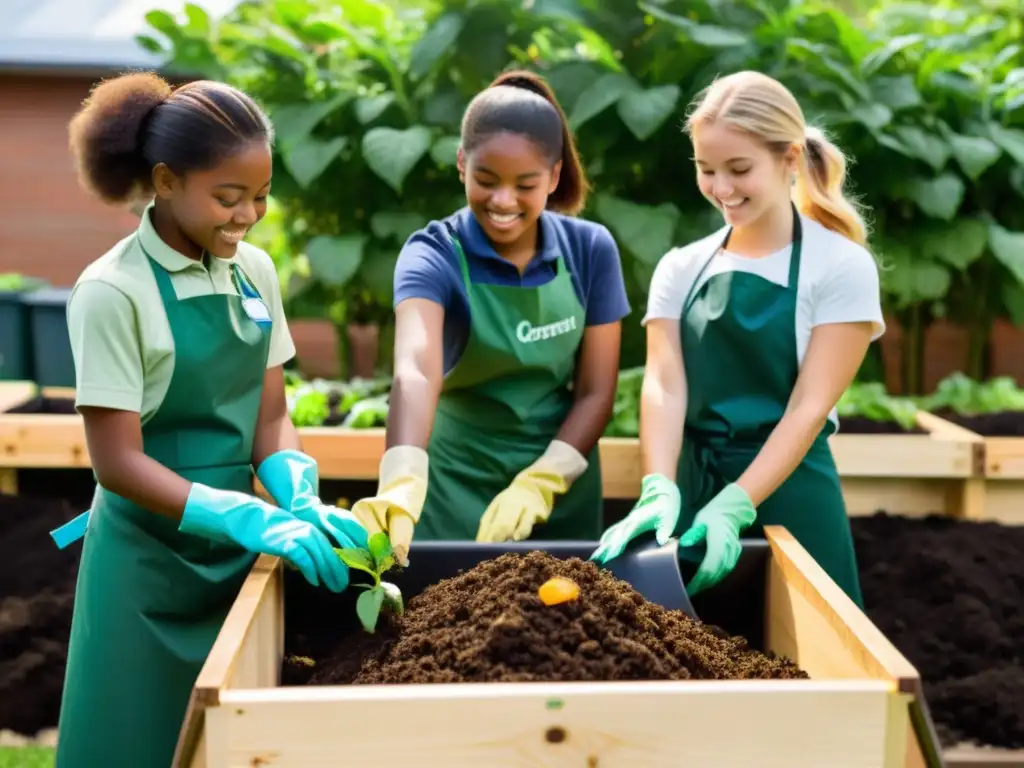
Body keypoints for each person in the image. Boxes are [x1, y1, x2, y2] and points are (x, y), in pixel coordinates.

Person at [51, 72, 368, 768]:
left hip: (236, 564)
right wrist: (245, 517)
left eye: (260, 197)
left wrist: (297, 493)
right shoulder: (112, 292)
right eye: (228, 198)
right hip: (144, 567)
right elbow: (117, 463)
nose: (248, 216)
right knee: (133, 744)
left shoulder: (253, 270)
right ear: (165, 181)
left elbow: (271, 415)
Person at [591, 71, 883, 609]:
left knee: (818, 668)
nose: (722, 188)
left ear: (790, 158)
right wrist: (659, 487)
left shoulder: (840, 266)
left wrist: (737, 504)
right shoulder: (681, 266)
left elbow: (809, 408)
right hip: (689, 486)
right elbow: (663, 384)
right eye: (706, 170)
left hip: (790, 492)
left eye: (739, 169)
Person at [350, 69, 630, 563]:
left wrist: (543, 483)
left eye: (525, 184)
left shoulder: (590, 250)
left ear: (555, 176)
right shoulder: (433, 254)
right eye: (485, 180)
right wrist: (402, 477)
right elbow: (415, 370)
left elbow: (596, 391)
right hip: (455, 481)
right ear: (461, 164)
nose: (503, 201)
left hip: (562, 479)